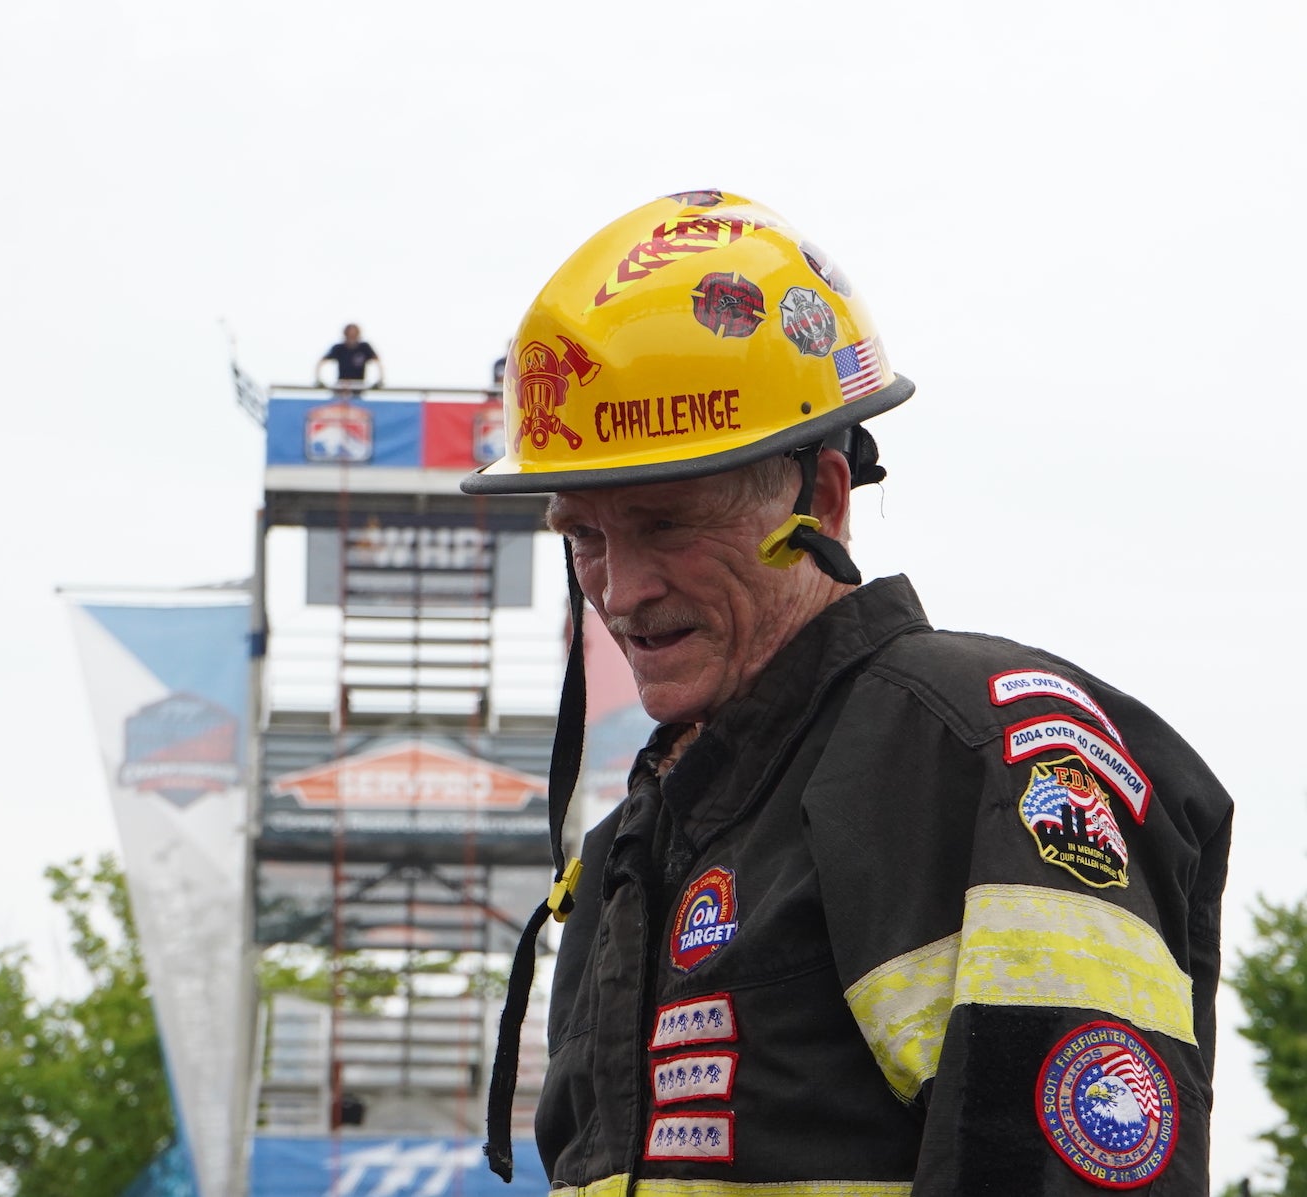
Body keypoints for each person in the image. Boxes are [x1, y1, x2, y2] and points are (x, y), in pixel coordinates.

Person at [462, 192, 1231, 1193]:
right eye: (585, 537)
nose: (620, 588)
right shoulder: (630, 850)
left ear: (821, 498)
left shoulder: (974, 750)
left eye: (665, 524)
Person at [318, 323, 381, 392]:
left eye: (354, 334)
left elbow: (377, 362)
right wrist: (319, 380)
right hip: (341, 387)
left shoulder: (364, 347)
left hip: (358, 387)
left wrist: (379, 380)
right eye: (349, 334)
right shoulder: (339, 348)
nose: (351, 337)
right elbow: (322, 362)